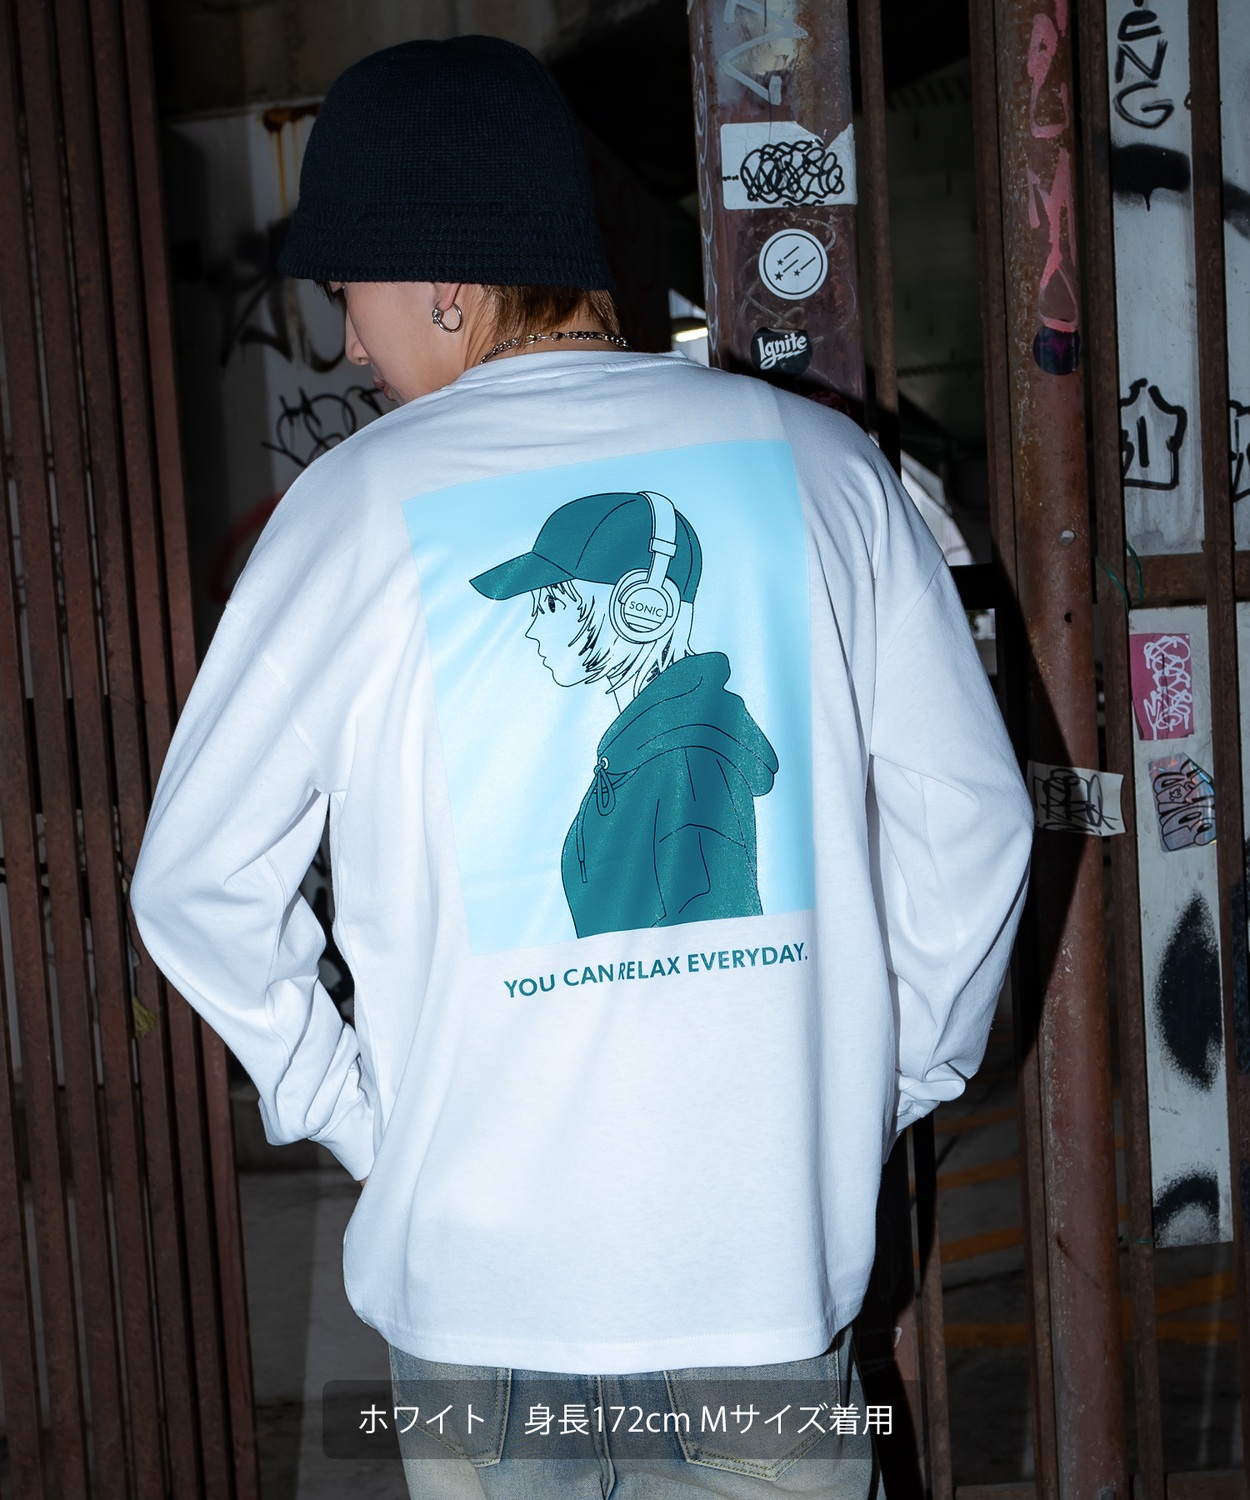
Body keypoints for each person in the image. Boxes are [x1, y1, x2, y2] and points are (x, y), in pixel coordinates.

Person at [129, 34, 1033, 1500]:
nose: (347, 344)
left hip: (482, 1303)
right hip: (757, 1284)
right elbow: (972, 824)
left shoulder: (346, 512)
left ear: (444, 283)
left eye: (348, 289)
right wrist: (881, 1078)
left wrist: (358, 1115)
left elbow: (192, 884)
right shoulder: (823, 471)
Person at [470, 490, 778, 936]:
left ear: (642, 609)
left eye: (553, 604)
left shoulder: (688, 764)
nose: (534, 629)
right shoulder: (642, 750)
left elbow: (723, 948)